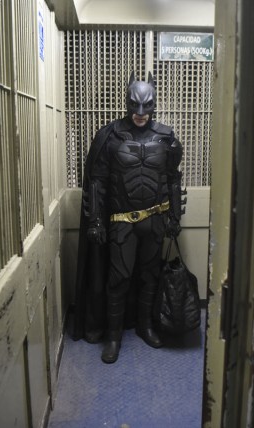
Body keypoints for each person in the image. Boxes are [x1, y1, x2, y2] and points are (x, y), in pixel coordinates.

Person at [73, 71, 184, 363]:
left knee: (150, 275)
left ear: (154, 104)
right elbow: (97, 181)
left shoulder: (166, 137)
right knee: (118, 278)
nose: (140, 113)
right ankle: (113, 336)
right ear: (127, 102)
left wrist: (174, 215)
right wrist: (96, 220)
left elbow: (173, 179)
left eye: (146, 107)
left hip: (156, 219)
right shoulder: (110, 136)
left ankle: (146, 326)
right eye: (135, 106)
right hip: (122, 221)